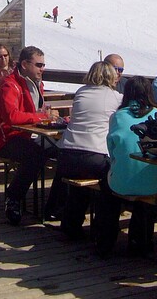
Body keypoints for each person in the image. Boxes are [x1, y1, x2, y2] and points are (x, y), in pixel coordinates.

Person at [49, 61, 122, 241]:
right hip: (94, 155)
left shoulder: (81, 92)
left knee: (80, 186)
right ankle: (105, 231)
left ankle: (70, 224)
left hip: (67, 156)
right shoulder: (115, 97)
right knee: (112, 185)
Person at [0, 46, 59, 226]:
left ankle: (57, 205)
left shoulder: (36, 83)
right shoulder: (9, 85)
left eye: (43, 65)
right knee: (35, 155)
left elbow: (35, 111)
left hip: (29, 135)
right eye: (39, 65)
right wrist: (42, 117)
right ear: (25, 64)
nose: (42, 69)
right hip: (6, 138)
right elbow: (11, 116)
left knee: (67, 152)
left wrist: (48, 116)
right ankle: (13, 198)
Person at [101, 76, 157, 256]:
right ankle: (141, 240)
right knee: (150, 189)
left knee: (107, 187)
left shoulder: (118, 116)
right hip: (154, 183)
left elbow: (111, 150)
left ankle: (106, 238)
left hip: (120, 182)